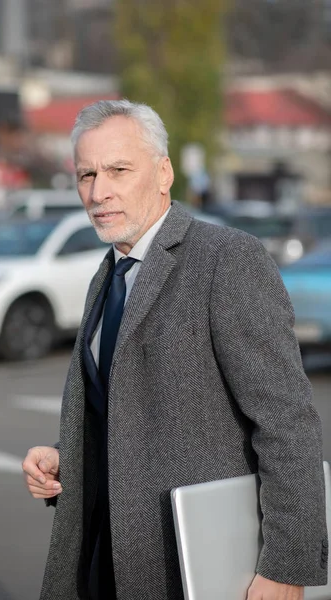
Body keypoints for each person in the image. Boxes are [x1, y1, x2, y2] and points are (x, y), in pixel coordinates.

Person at [22, 100, 328, 600]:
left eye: (119, 170)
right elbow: (139, 411)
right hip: (105, 557)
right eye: (86, 175)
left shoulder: (227, 260)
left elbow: (287, 423)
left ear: (164, 173)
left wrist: (286, 567)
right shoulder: (108, 273)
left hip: (192, 565)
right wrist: (68, 456)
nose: (99, 192)